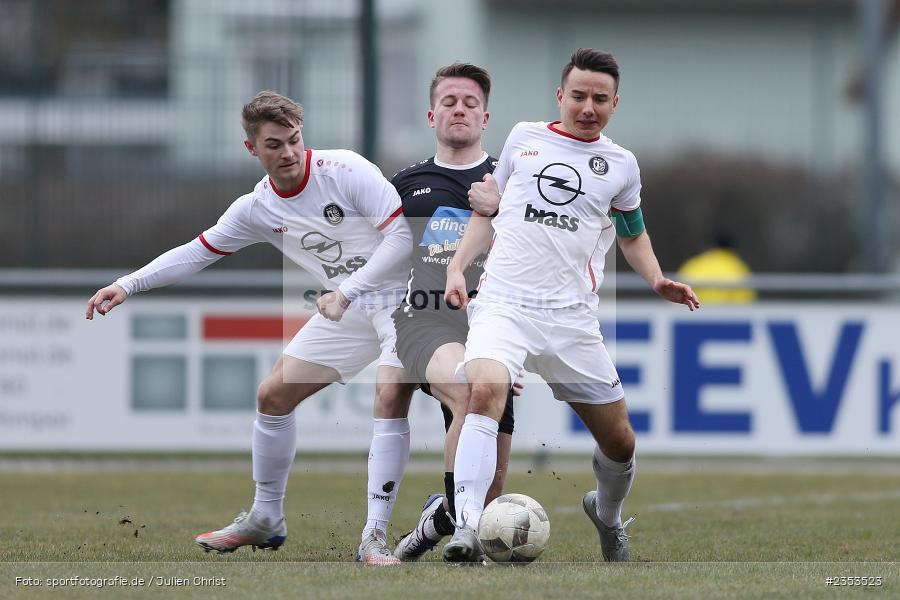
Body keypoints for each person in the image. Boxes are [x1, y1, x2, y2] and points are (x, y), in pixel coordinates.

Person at [85, 91, 418, 565]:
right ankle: (266, 518)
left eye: (294, 140)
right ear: (252, 149)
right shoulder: (257, 207)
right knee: (273, 396)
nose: (288, 153)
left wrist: (347, 291)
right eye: (275, 144)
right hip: (347, 309)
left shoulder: (346, 170)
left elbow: (402, 237)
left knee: (389, 397)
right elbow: (197, 250)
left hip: (403, 302)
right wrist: (128, 284)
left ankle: (375, 537)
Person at [442, 49, 700, 563]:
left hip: (571, 321)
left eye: (599, 99)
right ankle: (467, 528)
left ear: (614, 103)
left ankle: (605, 515)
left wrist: (655, 279)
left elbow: (632, 233)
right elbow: (491, 212)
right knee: (486, 390)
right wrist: (456, 267)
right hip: (505, 303)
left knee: (621, 443)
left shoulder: (621, 166)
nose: (587, 106)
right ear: (560, 96)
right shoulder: (522, 139)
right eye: (578, 96)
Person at [387, 63, 516, 561]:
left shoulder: (512, 181)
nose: (458, 109)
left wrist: (502, 206)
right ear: (431, 114)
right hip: (427, 321)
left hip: (496, 326)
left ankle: (441, 518)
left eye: (469, 103)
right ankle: (461, 526)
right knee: (467, 388)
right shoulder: (405, 183)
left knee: (490, 500)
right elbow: (375, 257)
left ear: (486, 117)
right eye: (448, 101)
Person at [677, 232, 756, 304]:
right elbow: (746, 302)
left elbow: (677, 298)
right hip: (727, 317)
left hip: (694, 317)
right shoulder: (739, 268)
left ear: (710, 246)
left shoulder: (693, 266)